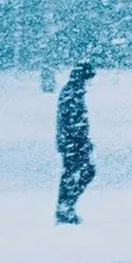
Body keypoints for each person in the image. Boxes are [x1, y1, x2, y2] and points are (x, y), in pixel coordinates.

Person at [53, 62, 97, 223]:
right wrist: (82, 141)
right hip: (73, 142)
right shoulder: (73, 93)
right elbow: (74, 122)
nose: (90, 82)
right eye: (89, 78)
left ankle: (65, 207)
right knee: (83, 173)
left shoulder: (72, 91)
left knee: (72, 174)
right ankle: (66, 206)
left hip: (70, 142)